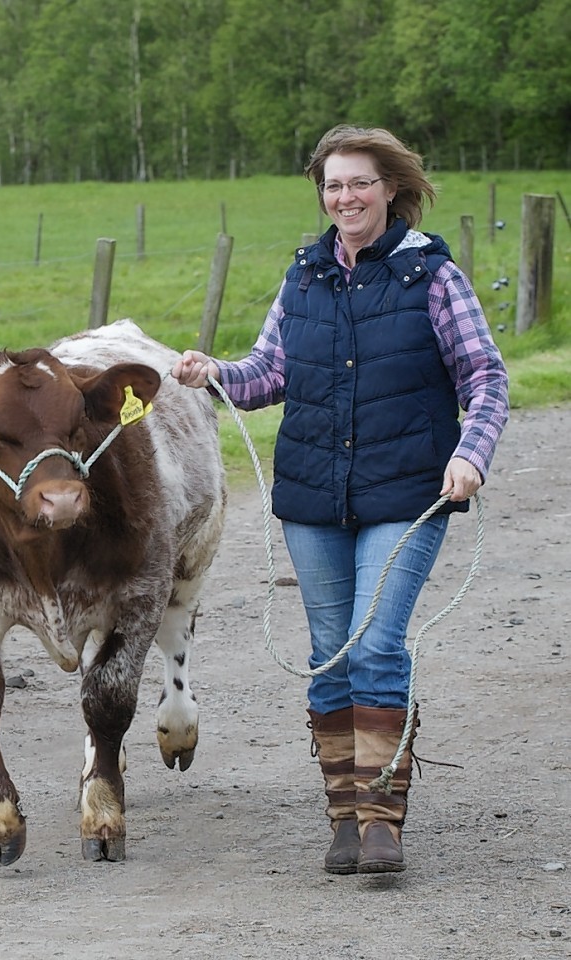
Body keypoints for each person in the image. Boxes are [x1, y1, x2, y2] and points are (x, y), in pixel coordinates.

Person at [172, 124, 509, 875]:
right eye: (332, 184)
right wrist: (213, 373)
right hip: (313, 497)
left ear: (391, 188)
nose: (344, 196)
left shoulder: (433, 276)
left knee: (376, 644)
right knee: (329, 658)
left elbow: (485, 377)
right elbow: (268, 373)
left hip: (409, 492)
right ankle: (344, 817)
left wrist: (469, 455)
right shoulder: (304, 274)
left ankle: (382, 817)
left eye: (359, 182)